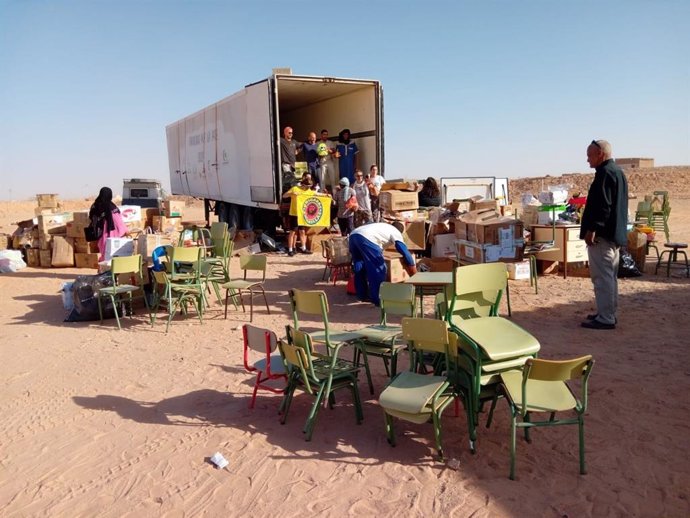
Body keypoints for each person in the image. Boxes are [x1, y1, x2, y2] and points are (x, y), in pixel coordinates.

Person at [580, 139, 628, 330]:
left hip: (603, 236)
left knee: (602, 277)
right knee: (609, 276)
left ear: (601, 154)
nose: (587, 160)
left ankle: (606, 317)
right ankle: (607, 312)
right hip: (613, 235)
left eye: (590, 155)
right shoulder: (616, 172)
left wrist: (593, 230)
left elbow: (603, 207)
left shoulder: (606, 173)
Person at [349, 222, 417, 306]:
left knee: (360, 266)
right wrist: (413, 269)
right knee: (378, 269)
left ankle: (361, 295)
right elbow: (404, 252)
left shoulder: (382, 227)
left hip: (353, 236)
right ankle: (378, 300)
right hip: (367, 238)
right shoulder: (396, 232)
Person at [282, 173, 328, 256]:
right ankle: (290, 249)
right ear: (303, 184)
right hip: (294, 214)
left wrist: (326, 195)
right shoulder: (295, 189)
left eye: (309, 187)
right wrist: (291, 194)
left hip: (303, 215)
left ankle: (303, 248)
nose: (308, 188)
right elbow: (284, 196)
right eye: (307, 187)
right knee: (292, 232)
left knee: (302, 232)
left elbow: (316, 194)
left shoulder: (308, 191)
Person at [88, 187, 128, 261]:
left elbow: (92, 217)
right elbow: (119, 222)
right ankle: (109, 270)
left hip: (101, 235)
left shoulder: (95, 205)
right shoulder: (112, 206)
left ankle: (104, 270)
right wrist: (125, 230)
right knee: (113, 253)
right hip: (114, 234)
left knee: (104, 253)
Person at [280, 126, 301, 190]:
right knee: (288, 180)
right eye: (289, 133)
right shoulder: (281, 141)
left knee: (296, 180)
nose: (291, 134)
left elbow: (302, 145)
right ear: (285, 133)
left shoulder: (294, 142)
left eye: (292, 133)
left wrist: (298, 150)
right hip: (286, 164)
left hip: (294, 164)